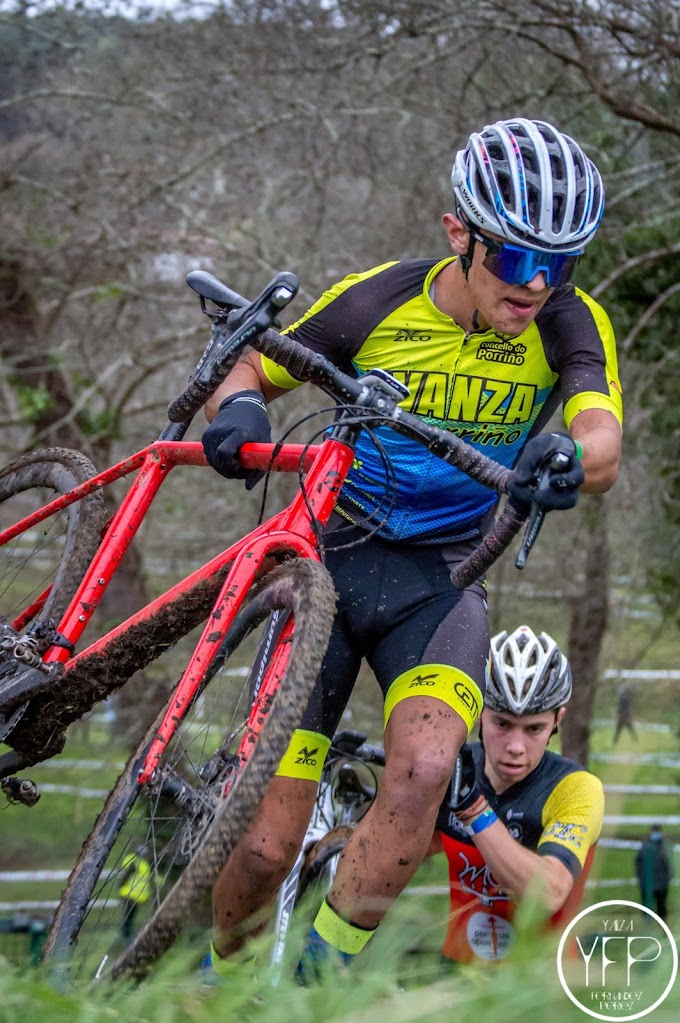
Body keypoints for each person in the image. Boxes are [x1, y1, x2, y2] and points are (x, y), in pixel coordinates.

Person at [200, 117, 623, 976]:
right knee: (264, 849)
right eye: (513, 257)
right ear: (458, 233)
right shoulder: (375, 298)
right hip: (324, 567)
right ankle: (217, 983)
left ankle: (321, 977)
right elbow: (249, 369)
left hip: (439, 580)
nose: (535, 284)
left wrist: (567, 458)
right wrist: (239, 411)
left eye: (560, 263)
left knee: (428, 765)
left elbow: (603, 439)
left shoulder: (567, 324)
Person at [430, 625, 604, 964]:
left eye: (534, 729)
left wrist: (474, 810)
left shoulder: (576, 788)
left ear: (557, 720)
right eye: (502, 724)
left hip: (539, 988)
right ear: (479, 712)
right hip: (455, 975)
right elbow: (403, 850)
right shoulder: (456, 767)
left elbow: (550, 892)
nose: (515, 747)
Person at [635, 825, 673, 920]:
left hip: (661, 884)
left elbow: (669, 865)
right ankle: (648, 926)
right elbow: (638, 863)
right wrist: (641, 878)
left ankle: (663, 926)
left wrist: (666, 879)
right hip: (647, 883)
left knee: (661, 907)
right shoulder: (645, 846)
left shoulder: (665, 846)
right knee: (647, 907)